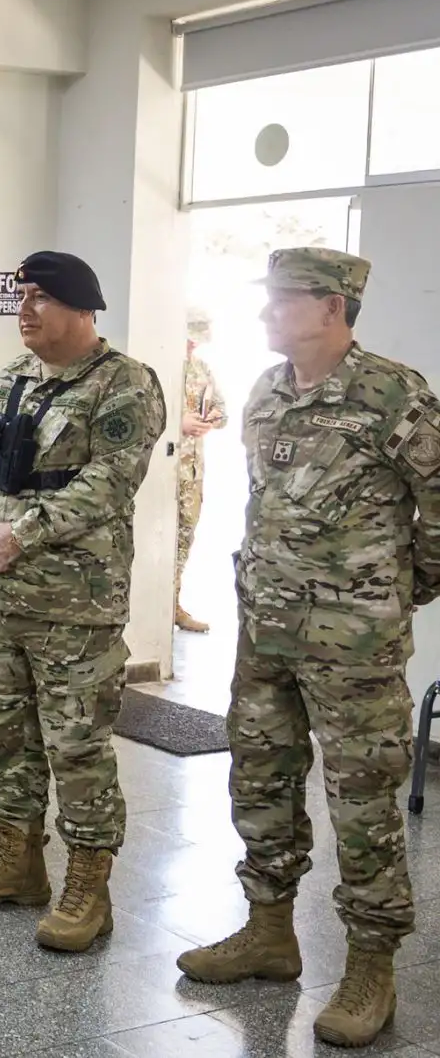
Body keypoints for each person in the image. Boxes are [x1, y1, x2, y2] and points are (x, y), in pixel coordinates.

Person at [176, 248, 432, 1048]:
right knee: (260, 780)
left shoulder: (395, 394)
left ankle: (371, 962)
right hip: (267, 635)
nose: (266, 314)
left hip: (354, 647)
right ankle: (268, 930)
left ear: (331, 307)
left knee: (361, 802)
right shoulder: (267, 393)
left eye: (282, 301)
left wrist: (392, 591)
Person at [0, 251, 165, 953]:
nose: (26, 309)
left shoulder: (124, 384)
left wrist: (21, 533)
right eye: (22, 296)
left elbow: (110, 481)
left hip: (76, 606)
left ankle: (88, 887)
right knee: (0, 734)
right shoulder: (9, 380)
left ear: (83, 307)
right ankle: (19, 860)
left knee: (77, 746)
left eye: (41, 297)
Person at [174, 307, 228, 633]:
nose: (192, 346)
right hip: (165, 470)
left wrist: (214, 417)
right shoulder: (160, 365)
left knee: (183, 539)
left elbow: (222, 408)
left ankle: (173, 604)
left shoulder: (201, 368)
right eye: (189, 338)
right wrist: (176, 424)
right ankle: (153, 607)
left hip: (192, 472)